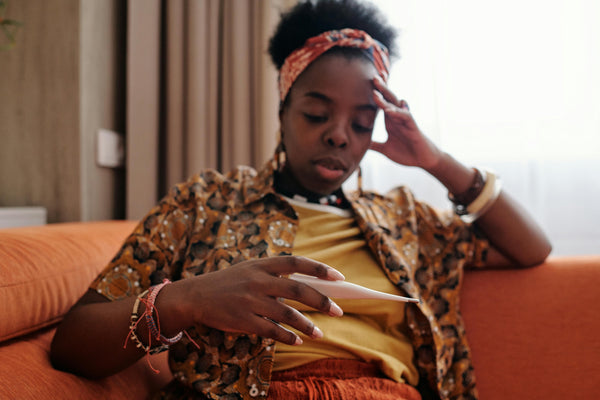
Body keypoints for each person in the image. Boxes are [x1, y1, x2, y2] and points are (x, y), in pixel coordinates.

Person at [50, 0, 552, 399]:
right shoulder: (206, 202)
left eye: (361, 123)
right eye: (316, 114)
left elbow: (530, 249)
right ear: (284, 109)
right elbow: (74, 344)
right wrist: (189, 298)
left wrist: (436, 161)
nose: (339, 136)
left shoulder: (403, 220)